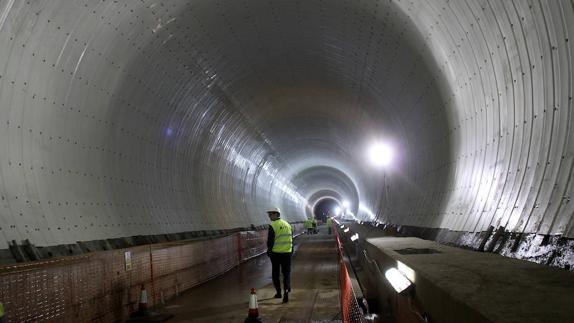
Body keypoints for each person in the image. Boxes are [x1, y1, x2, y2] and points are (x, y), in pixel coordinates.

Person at [266, 207, 293, 303]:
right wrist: (291, 251)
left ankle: (279, 293)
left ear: (276, 214)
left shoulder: (273, 225)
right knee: (286, 274)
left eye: (270, 214)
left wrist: (269, 251)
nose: (269, 216)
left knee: (276, 274)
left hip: (276, 254)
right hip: (287, 253)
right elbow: (291, 239)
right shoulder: (287, 224)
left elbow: (270, 241)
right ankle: (286, 292)